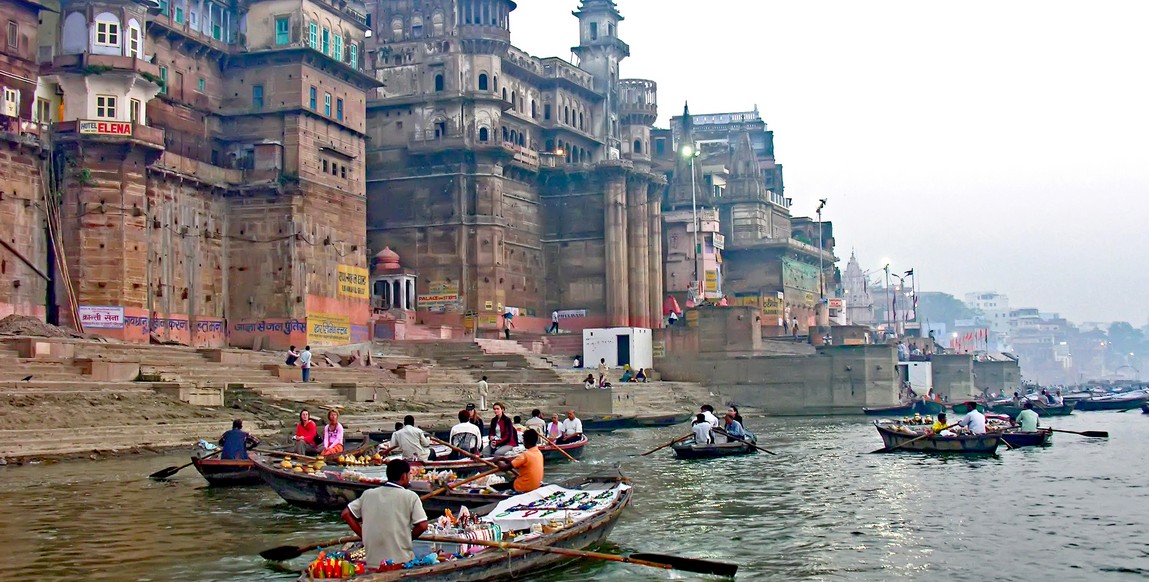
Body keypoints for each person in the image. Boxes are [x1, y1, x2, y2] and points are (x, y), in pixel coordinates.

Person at [341, 459, 428, 569]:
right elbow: (423, 525)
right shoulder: (411, 496)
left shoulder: (368, 494)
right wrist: (408, 538)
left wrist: (364, 536)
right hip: (400, 562)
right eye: (409, 474)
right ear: (404, 476)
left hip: (372, 562)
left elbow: (345, 514)